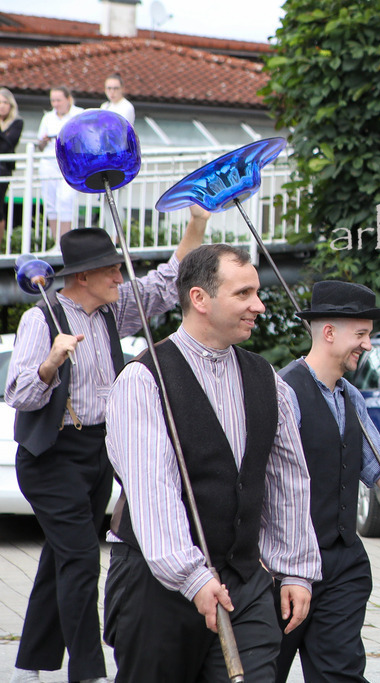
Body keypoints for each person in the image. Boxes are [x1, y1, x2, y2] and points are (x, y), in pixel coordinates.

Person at [5, 207, 209, 683]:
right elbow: (19, 393)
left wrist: (197, 223)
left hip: (99, 452)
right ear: (83, 277)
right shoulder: (44, 319)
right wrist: (50, 364)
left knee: (61, 557)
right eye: (112, 269)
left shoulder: (111, 310)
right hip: (52, 457)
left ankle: (27, 667)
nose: (121, 275)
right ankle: (89, 673)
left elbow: (165, 282)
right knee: (79, 561)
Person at [103, 244, 321, 681]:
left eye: (257, 293)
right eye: (243, 294)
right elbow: (153, 490)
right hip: (158, 584)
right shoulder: (144, 381)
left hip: (244, 581)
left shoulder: (268, 380)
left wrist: (296, 569)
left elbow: (287, 480)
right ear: (200, 299)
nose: (258, 306)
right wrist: (191, 576)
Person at [276, 280, 380, 682]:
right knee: (263, 673)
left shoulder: (351, 396)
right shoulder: (284, 393)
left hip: (342, 565)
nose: (367, 345)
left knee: (340, 674)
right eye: (362, 334)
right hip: (285, 567)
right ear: (329, 333)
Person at [36, 86, 83, 244]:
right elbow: (39, 145)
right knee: (50, 203)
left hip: (70, 163)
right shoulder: (48, 117)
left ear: (68, 99)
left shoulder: (78, 114)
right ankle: (57, 243)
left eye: (58, 100)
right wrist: (43, 141)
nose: (55, 104)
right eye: (53, 100)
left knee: (65, 200)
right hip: (49, 162)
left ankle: (66, 243)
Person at [0, 87, 24, 243]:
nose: (1, 106)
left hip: (3, 170)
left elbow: (7, 145)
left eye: (4, 102)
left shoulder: (17, 122)